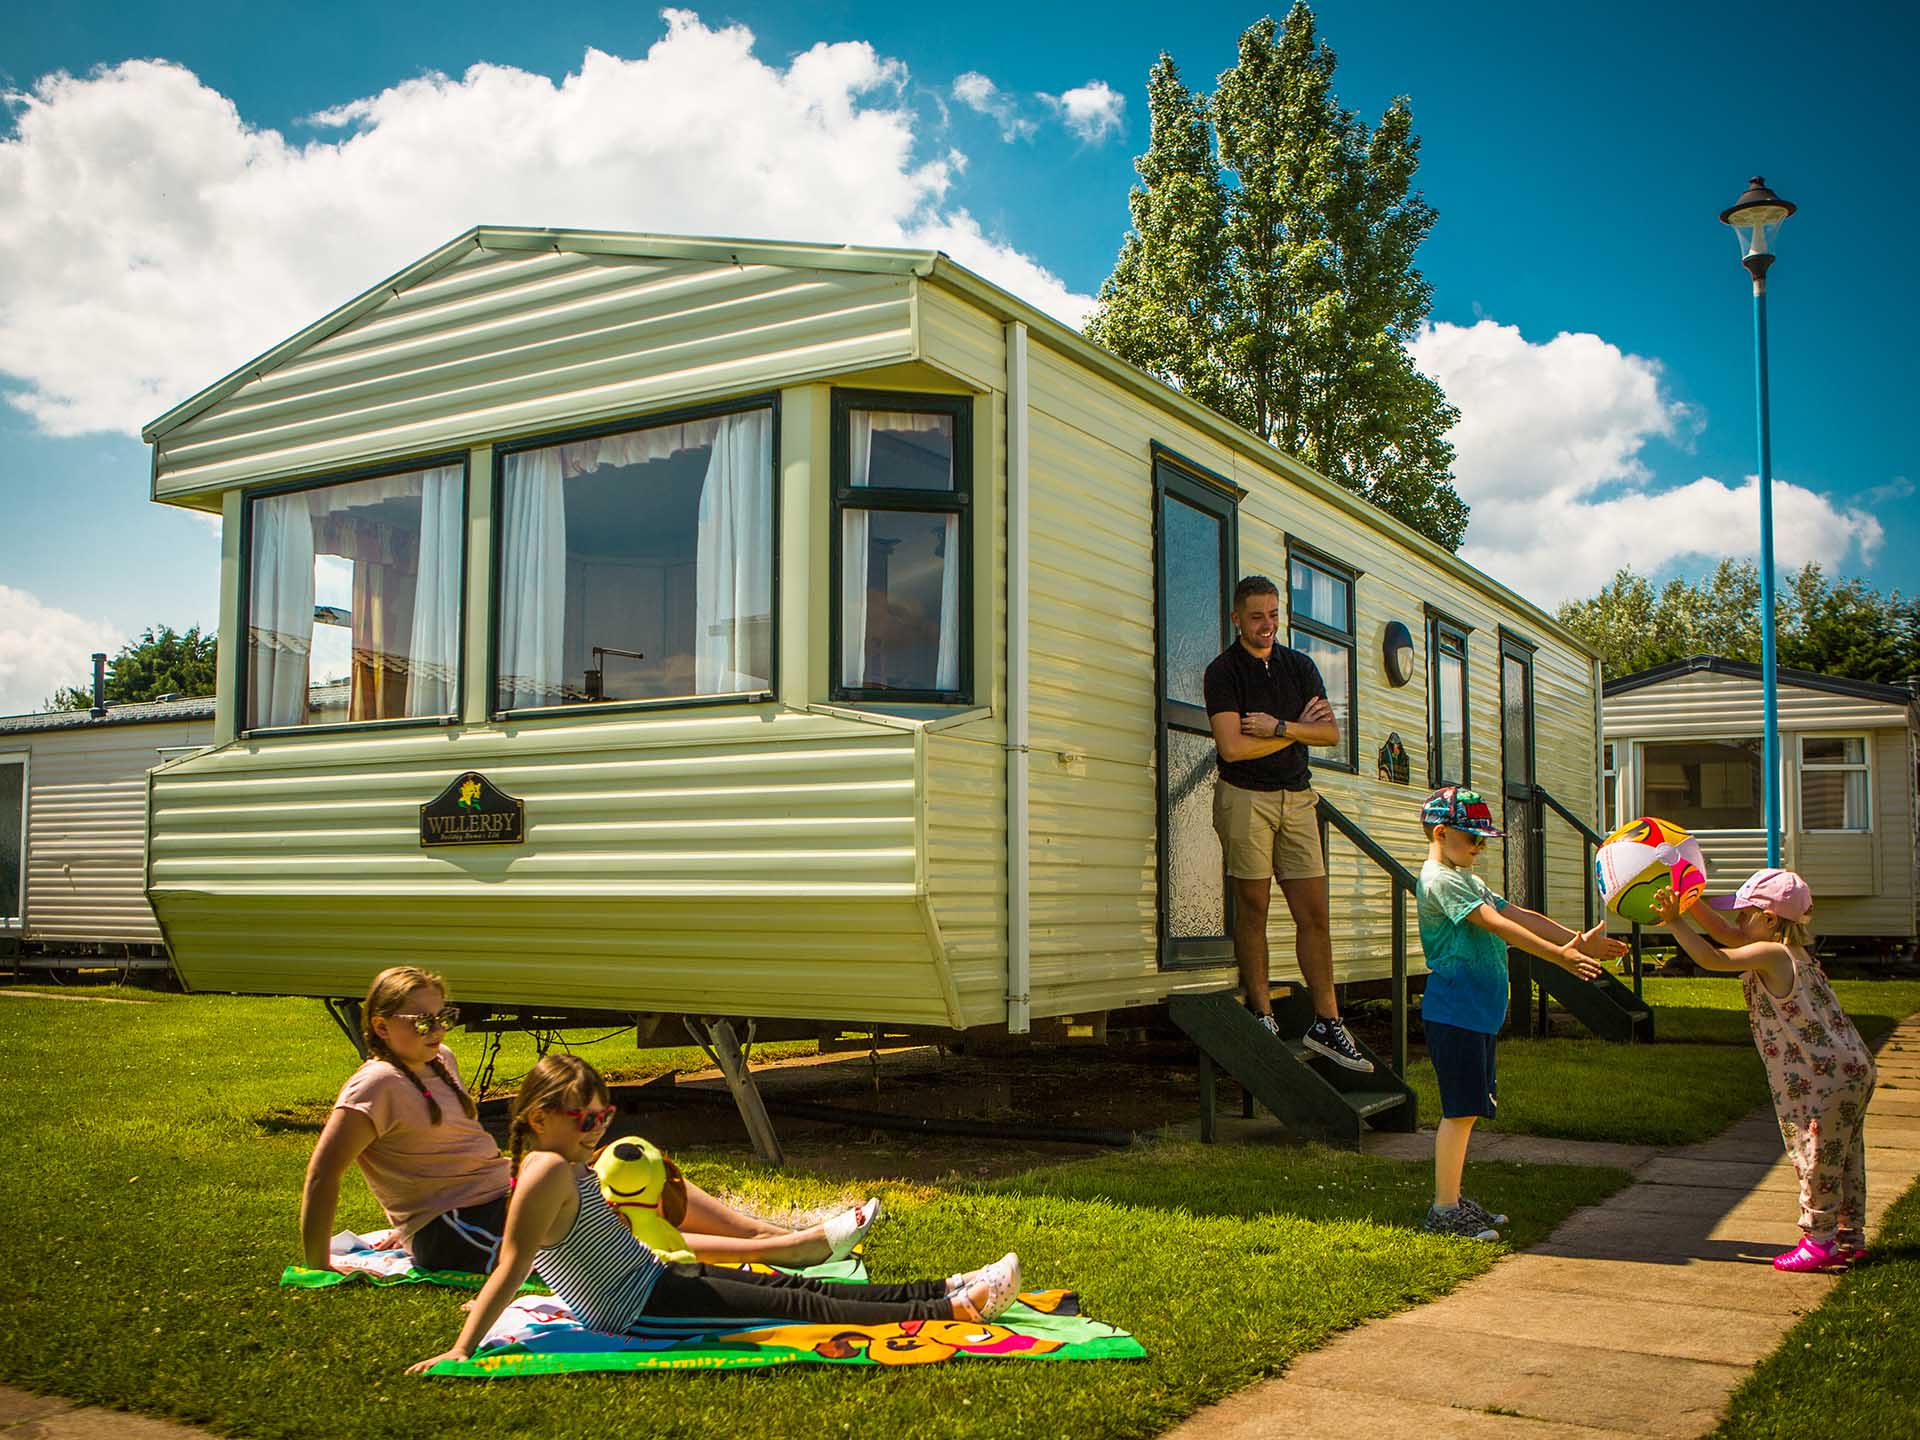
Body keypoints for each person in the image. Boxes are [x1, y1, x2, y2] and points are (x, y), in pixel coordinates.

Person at [406, 1055, 1023, 1372]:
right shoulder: (543, 1170)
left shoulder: (557, 1162)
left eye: (603, 1116)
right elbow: (514, 1261)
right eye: (583, 1118)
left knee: (793, 1286)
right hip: (641, 1309)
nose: (597, 1129)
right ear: (539, 1118)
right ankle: (951, 1309)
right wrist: (466, 1344)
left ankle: (941, 1285)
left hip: (656, 1278)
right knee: (805, 1308)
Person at [300, 966, 878, 1276]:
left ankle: (768, 1236)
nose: (437, 1031)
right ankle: (786, 1250)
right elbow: (324, 1176)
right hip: (451, 1226)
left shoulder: (440, 1062)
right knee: (609, 1237)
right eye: (419, 1021)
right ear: (379, 1026)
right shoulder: (373, 1087)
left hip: (502, 1190)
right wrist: (317, 1263)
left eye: (442, 1017)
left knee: (634, 1171)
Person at [1416, 785, 1624, 1240]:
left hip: (1474, 1015)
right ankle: (1443, 1211)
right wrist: (1559, 957)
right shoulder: (1441, 880)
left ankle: (1451, 1198)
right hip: (1455, 1013)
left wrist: (1574, 940)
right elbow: (1498, 926)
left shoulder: (1467, 879)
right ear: (1441, 832)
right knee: (1459, 1112)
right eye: (1472, 838)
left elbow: (1519, 913)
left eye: (1482, 840)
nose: (1478, 847)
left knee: (1468, 1111)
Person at [1652, 869, 1876, 1272]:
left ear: (1770, 920)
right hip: (1849, 1068)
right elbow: (1724, 932)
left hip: (1820, 1077)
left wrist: (1673, 922)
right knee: (1844, 1157)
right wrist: (1688, 901)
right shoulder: (1792, 953)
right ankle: (1849, 1238)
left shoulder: (1772, 955)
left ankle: (1819, 1240)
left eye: (1746, 913)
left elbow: (1712, 957)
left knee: (1816, 1155)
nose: (1737, 920)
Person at [1202, 574, 1368, 1069]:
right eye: (1257, 616)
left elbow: (1332, 735)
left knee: (1313, 913)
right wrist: (1300, 732)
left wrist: (1278, 728)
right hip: (1244, 797)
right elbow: (1232, 746)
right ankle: (1262, 1011)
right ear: (1237, 619)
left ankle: (1328, 1021)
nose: (1267, 625)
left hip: (1297, 799)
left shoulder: (1300, 666)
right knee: (1252, 907)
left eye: (1274, 615)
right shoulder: (1223, 672)